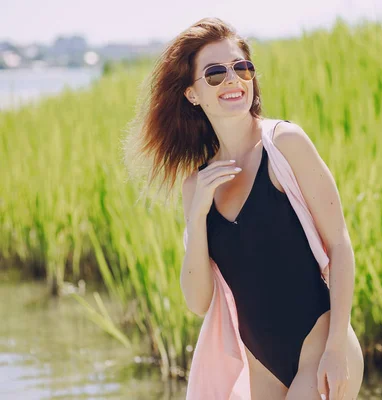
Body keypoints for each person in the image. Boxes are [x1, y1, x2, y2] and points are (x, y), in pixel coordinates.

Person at [128, 17, 364, 400]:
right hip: (260, 368)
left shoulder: (285, 144)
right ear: (192, 94)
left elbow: (339, 244)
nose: (233, 79)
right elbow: (197, 301)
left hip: (319, 349)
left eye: (241, 68)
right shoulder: (197, 186)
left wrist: (337, 348)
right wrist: (199, 212)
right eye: (216, 73)